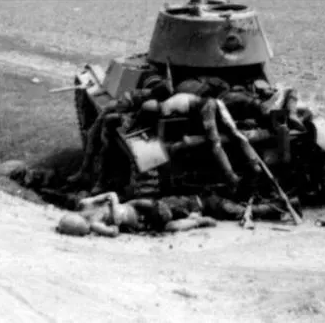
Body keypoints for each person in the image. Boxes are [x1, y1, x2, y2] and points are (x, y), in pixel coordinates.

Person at [141, 93, 262, 193]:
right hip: (215, 103)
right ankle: (255, 164)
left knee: (215, 143)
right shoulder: (174, 97)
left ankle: (231, 177)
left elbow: (168, 125)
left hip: (206, 109)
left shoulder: (165, 107)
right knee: (237, 134)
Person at [56, 192, 216, 237]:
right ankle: (199, 221)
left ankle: (195, 206)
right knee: (170, 226)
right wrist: (115, 224)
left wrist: (114, 208)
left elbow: (111, 194)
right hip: (140, 223)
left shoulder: (85, 204)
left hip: (135, 205)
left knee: (164, 207)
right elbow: (113, 232)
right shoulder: (94, 224)